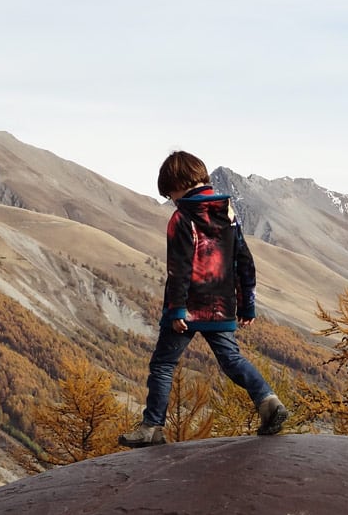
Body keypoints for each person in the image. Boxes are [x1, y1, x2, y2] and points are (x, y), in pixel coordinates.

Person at [119, 151, 290, 447]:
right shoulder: (228, 213)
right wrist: (247, 303)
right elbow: (244, 260)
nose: (171, 199)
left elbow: (179, 268)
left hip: (188, 308)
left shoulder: (182, 217)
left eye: (169, 192)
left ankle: (152, 427)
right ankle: (269, 402)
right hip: (222, 306)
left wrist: (177, 310)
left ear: (177, 184)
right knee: (232, 359)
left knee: (163, 364)